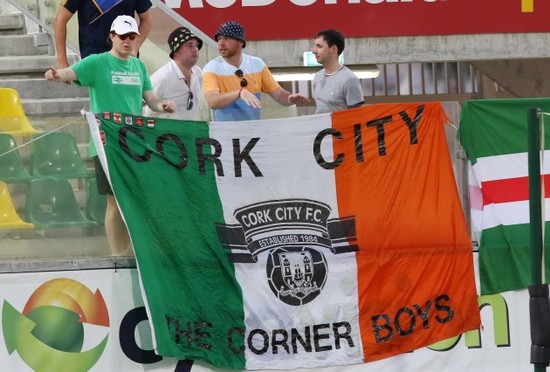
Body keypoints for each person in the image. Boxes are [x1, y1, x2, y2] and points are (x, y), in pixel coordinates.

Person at [45, 15, 176, 256]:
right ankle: (117, 255)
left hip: (136, 144)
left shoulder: (139, 66)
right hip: (107, 144)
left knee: (134, 202)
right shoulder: (98, 62)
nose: (127, 41)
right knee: (115, 202)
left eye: (132, 36)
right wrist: (56, 74)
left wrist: (162, 106)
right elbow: (69, 73)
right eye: (123, 36)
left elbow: (151, 100)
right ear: (112, 37)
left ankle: (129, 252)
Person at [202, 20, 309, 121]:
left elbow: (279, 94)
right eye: (219, 38)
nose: (221, 43)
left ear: (240, 42)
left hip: (253, 132)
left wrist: (290, 99)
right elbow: (212, 101)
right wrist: (239, 93)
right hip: (225, 135)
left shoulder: (257, 64)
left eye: (226, 38)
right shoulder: (212, 68)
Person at [54, 0, 152, 68]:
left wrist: (135, 47)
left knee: (129, 97)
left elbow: (146, 19)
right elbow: (60, 20)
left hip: (126, 58)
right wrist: (62, 62)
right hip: (94, 59)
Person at [144, 27, 203, 120]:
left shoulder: (198, 73)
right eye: (190, 45)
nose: (195, 49)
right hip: (164, 132)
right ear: (176, 52)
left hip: (189, 132)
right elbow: (146, 110)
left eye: (196, 45)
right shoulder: (163, 77)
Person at [312, 29, 364, 114]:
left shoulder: (349, 80)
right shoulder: (317, 77)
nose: (314, 51)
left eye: (319, 46)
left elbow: (358, 115)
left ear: (333, 49)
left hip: (341, 127)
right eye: (314, 46)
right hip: (321, 127)